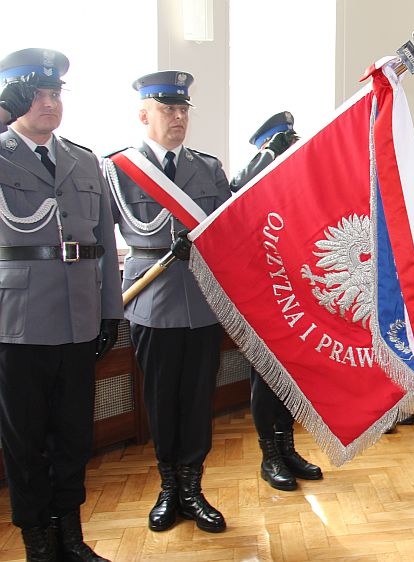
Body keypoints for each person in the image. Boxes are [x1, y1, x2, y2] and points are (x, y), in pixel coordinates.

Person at [0, 48, 123, 562]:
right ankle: (37, 543)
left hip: (78, 318)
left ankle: (70, 535)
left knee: (73, 436)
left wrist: (110, 312)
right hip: (18, 325)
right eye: (38, 93)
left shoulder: (84, 159)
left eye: (56, 94)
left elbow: (103, 238)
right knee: (25, 442)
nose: (50, 103)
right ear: (16, 97)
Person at [103, 71, 230, 533]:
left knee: (198, 399)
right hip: (150, 297)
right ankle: (168, 488)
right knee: (160, 400)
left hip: (200, 299)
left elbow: (227, 230)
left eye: (183, 110)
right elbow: (103, 236)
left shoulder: (209, 168)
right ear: (144, 115)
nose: (178, 117)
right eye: (167, 109)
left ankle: (193, 488)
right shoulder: (117, 169)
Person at [230, 111, 323, 491]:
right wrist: (268, 157)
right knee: (265, 377)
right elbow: (234, 193)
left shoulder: (293, 183)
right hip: (260, 291)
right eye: (284, 142)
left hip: (293, 290)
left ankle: (287, 447)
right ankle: (269, 456)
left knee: (290, 375)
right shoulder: (253, 176)